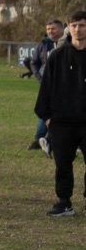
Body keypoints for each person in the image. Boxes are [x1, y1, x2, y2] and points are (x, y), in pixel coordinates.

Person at [35, 11, 86, 217]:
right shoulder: (58, 55)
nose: (77, 29)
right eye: (73, 25)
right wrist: (46, 116)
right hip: (62, 122)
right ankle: (64, 202)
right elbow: (46, 88)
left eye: (82, 25)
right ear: (68, 27)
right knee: (62, 164)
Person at [29, 18, 63, 149]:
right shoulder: (43, 44)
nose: (50, 31)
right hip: (48, 84)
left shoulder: (67, 44)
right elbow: (34, 62)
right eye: (48, 29)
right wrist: (40, 78)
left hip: (64, 84)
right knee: (45, 109)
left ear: (61, 29)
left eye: (53, 28)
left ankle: (50, 139)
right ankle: (39, 140)